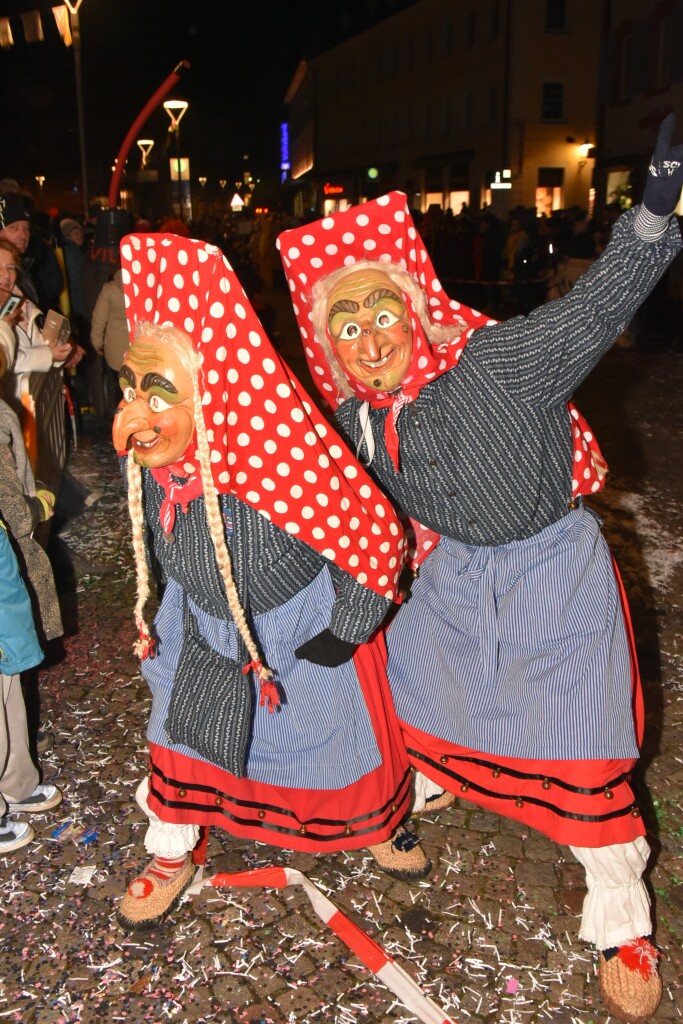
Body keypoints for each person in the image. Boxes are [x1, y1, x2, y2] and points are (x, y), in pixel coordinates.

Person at [277, 115, 683, 1024]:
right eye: (346, 324)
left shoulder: (500, 363)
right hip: (447, 583)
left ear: (414, 314)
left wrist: (652, 209)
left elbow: (597, 304)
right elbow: (350, 523)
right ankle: (432, 777)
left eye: (382, 312)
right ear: (332, 347)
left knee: (582, 746)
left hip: (550, 577)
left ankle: (620, 917)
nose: (368, 337)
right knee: (419, 697)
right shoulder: (359, 424)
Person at [112, 231, 431, 934]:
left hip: (300, 621)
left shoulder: (278, 452)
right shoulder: (158, 458)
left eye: (158, 390)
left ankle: (371, 821)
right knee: (179, 735)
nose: (135, 409)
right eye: (131, 386)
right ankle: (172, 848)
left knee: (333, 735)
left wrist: (346, 629)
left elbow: (374, 537)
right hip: (204, 622)